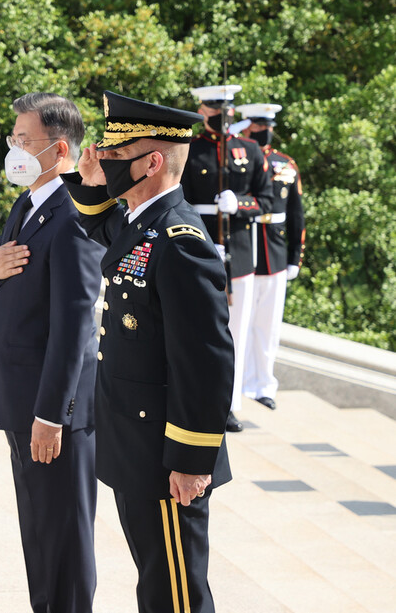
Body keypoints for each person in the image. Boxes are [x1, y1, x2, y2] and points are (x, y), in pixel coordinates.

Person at [62, 90, 235, 613]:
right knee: (154, 580)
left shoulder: (181, 239)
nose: (105, 161)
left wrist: (190, 459)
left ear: (152, 161)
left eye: (115, 156)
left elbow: (206, 361)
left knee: (175, 593)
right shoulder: (145, 222)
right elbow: (103, 227)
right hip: (136, 445)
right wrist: (92, 182)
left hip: (168, 460)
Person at [0, 93, 105, 613]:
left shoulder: (74, 216)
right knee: (40, 533)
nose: (15, 150)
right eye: (14, 140)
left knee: (64, 540)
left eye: (25, 141)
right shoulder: (29, 201)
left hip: (52, 413)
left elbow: (75, 325)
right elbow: (1, 269)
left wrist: (51, 414)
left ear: (59, 149)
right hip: (19, 399)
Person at [182, 85, 273, 432]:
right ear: (203, 110)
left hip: (240, 255)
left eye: (225, 107)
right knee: (194, 329)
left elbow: (266, 199)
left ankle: (227, 406)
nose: (221, 113)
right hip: (199, 249)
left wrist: (242, 205)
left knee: (234, 333)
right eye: (213, 107)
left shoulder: (249, 150)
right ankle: (193, 399)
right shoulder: (191, 150)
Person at [235, 102, 306, 410]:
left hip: (274, 251)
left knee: (268, 325)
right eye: (258, 124)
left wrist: (294, 257)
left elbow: (296, 214)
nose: (264, 130)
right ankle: (235, 387)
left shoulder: (285, 163)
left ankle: (263, 384)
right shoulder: (240, 159)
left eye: (267, 125)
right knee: (237, 325)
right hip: (244, 247)